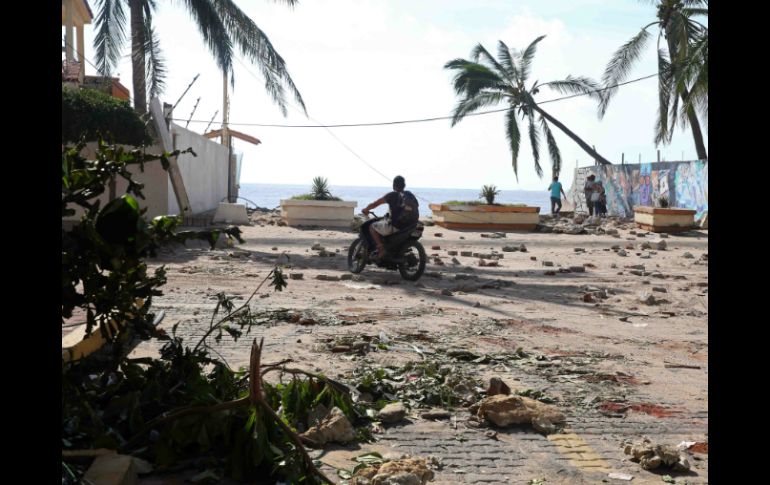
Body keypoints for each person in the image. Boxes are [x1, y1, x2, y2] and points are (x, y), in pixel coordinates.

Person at [362, 176, 419, 259]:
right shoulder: (409, 194)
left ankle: (381, 249)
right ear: (404, 185)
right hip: (409, 226)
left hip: (396, 226)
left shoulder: (392, 195)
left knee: (372, 227)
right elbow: (417, 205)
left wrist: (366, 209)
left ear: (394, 185)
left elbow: (375, 204)